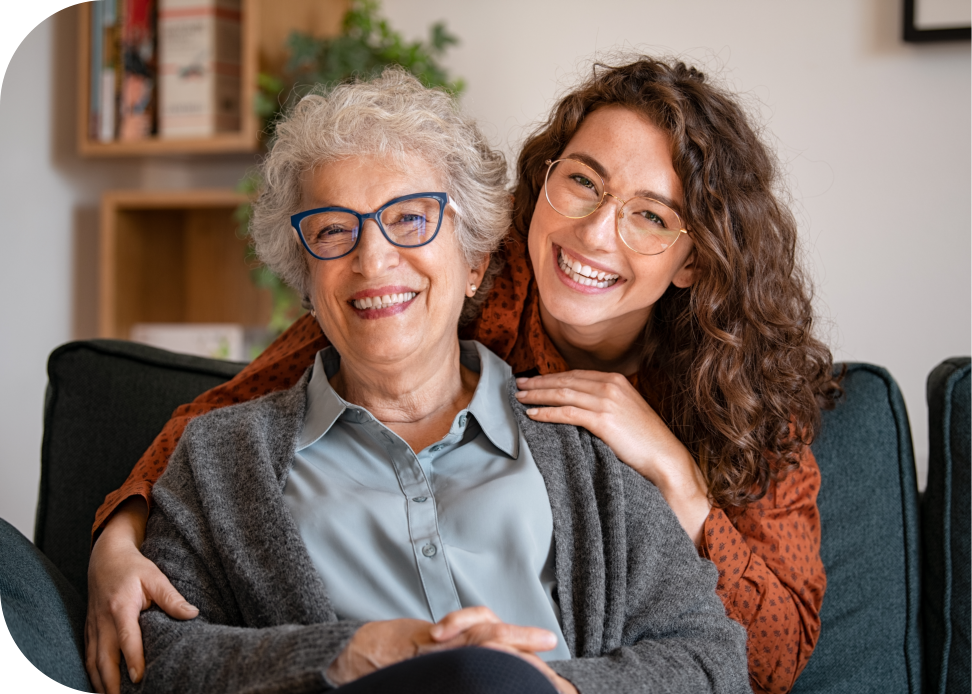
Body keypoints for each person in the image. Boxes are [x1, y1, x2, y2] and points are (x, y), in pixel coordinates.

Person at [88, 56, 839, 694]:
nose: (594, 233)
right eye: (583, 182)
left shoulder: (685, 425)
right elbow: (226, 418)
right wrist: (119, 533)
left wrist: (675, 478)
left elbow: (740, 659)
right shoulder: (245, 442)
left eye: (650, 215)